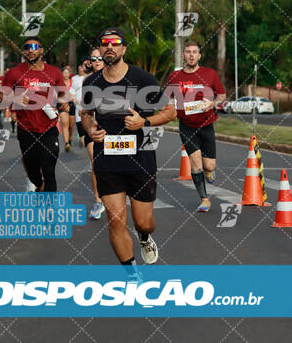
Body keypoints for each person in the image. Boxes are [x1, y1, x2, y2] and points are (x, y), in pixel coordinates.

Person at [81, 28, 176, 268]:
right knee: (115, 220)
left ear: (124, 49)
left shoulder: (143, 79)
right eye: (105, 43)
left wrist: (143, 122)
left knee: (143, 223)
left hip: (140, 158)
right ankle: (132, 274)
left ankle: (144, 237)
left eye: (115, 43)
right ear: (100, 50)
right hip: (107, 159)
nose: (109, 46)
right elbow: (85, 114)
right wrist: (90, 131)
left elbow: (170, 112)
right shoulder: (91, 82)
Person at [0, 37, 67, 192]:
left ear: (41, 50)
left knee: (49, 169)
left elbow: (63, 95)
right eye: (27, 47)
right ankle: (39, 186)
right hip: (26, 128)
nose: (30, 50)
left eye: (34, 47)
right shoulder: (14, 73)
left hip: (48, 127)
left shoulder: (54, 72)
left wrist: (64, 102)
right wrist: (14, 98)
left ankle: (50, 210)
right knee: (33, 172)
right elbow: (0, 98)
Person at [167, 40, 226, 212]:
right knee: (195, 163)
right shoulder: (174, 77)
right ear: (183, 55)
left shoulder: (210, 74)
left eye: (195, 52)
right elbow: (169, 98)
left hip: (206, 124)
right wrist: (170, 109)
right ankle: (204, 199)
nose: (191, 55)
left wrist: (213, 103)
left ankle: (209, 172)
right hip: (186, 126)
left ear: (199, 55)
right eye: (188, 52)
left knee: (209, 166)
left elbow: (222, 95)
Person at [82, 49, 105, 220]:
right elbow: (86, 110)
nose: (97, 61)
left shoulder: (117, 78)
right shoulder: (88, 81)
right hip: (91, 126)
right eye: (94, 58)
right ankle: (98, 200)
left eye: (100, 58)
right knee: (95, 161)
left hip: (113, 130)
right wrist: (89, 126)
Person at [70, 57, 93, 147]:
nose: (88, 66)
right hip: (80, 112)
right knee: (83, 137)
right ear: (82, 67)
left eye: (89, 63)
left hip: (94, 114)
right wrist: (76, 101)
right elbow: (71, 92)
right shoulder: (76, 79)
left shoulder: (98, 76)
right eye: (85, 65)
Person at [57, 66, 75, 152]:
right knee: (65, 124)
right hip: (62, 104)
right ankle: (66, 142)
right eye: (64, 73)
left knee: (71, 126)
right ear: (61, 74)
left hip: (72, 104)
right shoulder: (59, 83)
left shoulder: (73, 82)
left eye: (67, 73)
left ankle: (70, 138)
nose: (66, 74)